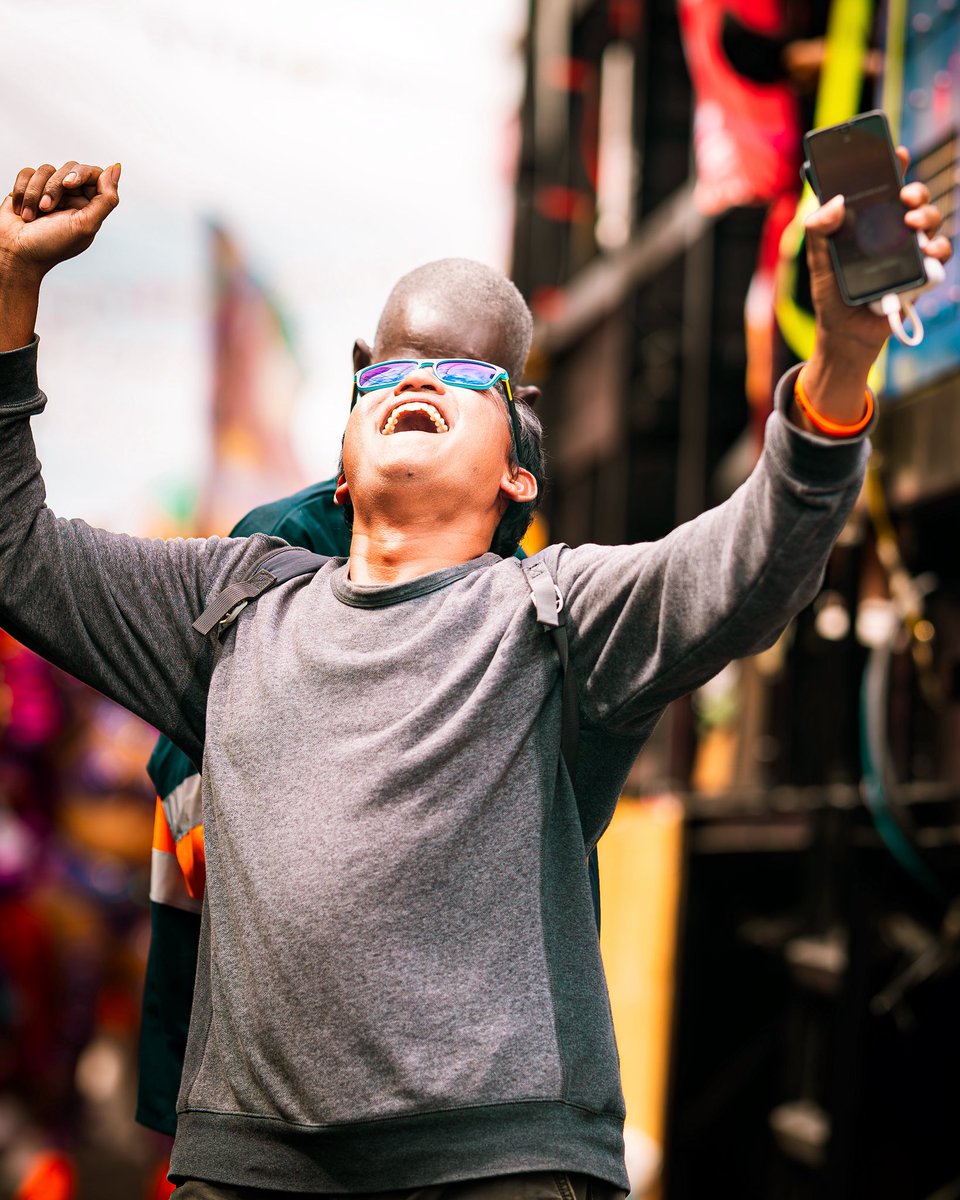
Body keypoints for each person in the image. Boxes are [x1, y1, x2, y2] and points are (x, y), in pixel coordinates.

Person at [0, 157, 948, 1199]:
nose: (414, 381)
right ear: (346, 447)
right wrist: (11, 282)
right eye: (387, 373)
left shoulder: (558, 619)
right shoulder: (228, 605)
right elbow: (16, 553)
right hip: (245, 1174)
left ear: (518, 469)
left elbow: (758, 557)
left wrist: (846, 354)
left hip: (497, 1170)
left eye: (460, 377)